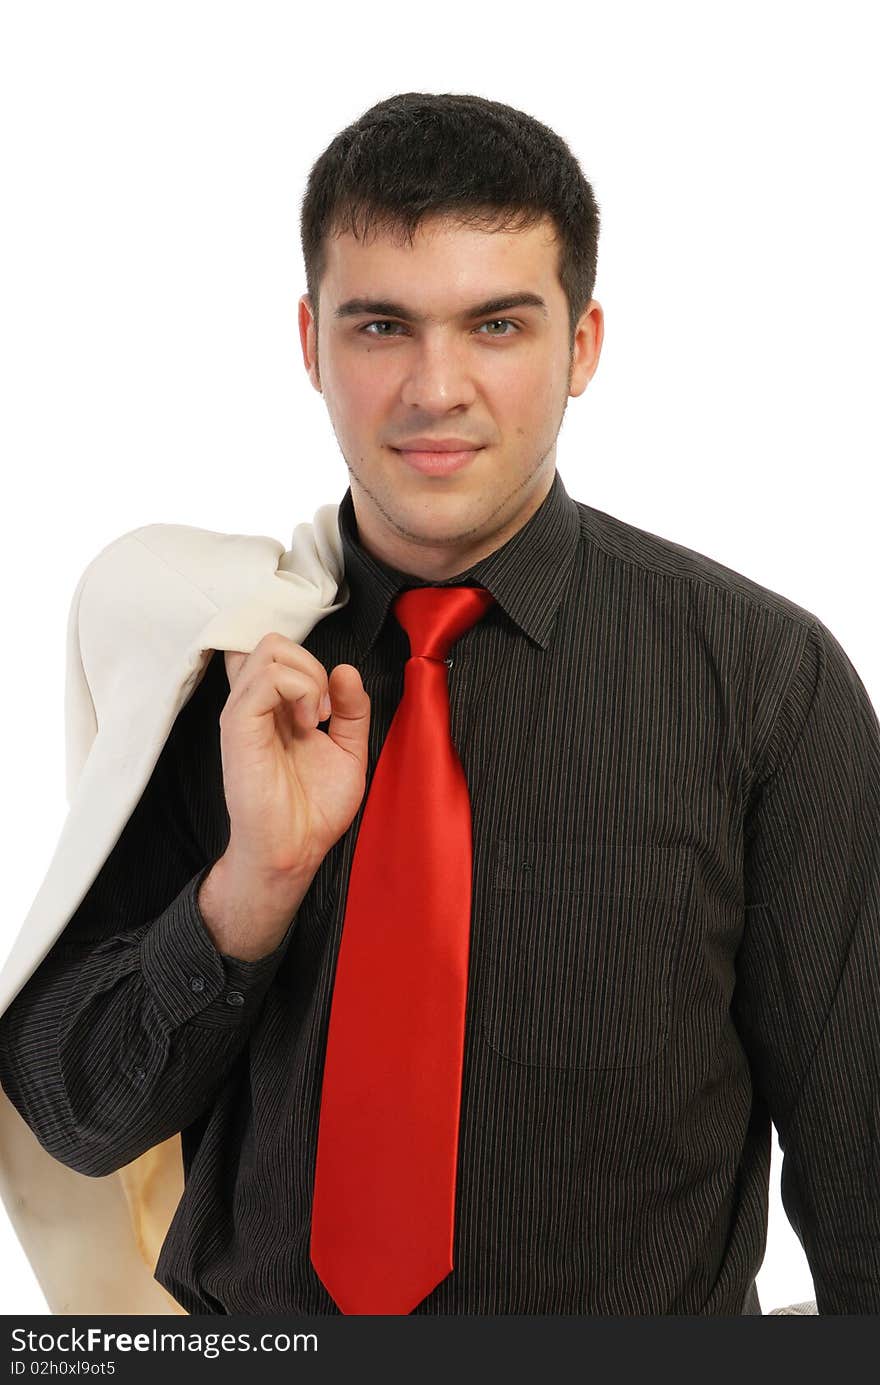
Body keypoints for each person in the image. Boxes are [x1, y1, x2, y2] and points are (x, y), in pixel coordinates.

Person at [0, 90, 877, 1316]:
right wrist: (246, 895)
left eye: (497, 324)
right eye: (380, 326)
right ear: (309, 340)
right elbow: (73, 1116)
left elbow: (865, 1186)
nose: (434, 386)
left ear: (582, 344)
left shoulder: (765, 683)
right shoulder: (214, 668)